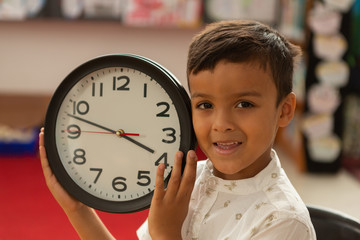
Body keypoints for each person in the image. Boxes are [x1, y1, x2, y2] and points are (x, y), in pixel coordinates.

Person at [39, 20, 316, 239]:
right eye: (205, 104)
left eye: (244, 103)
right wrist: (77, 209)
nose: (221, 124)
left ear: (284, 110)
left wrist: (167, 235)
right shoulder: (189, 183)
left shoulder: (283, 222)